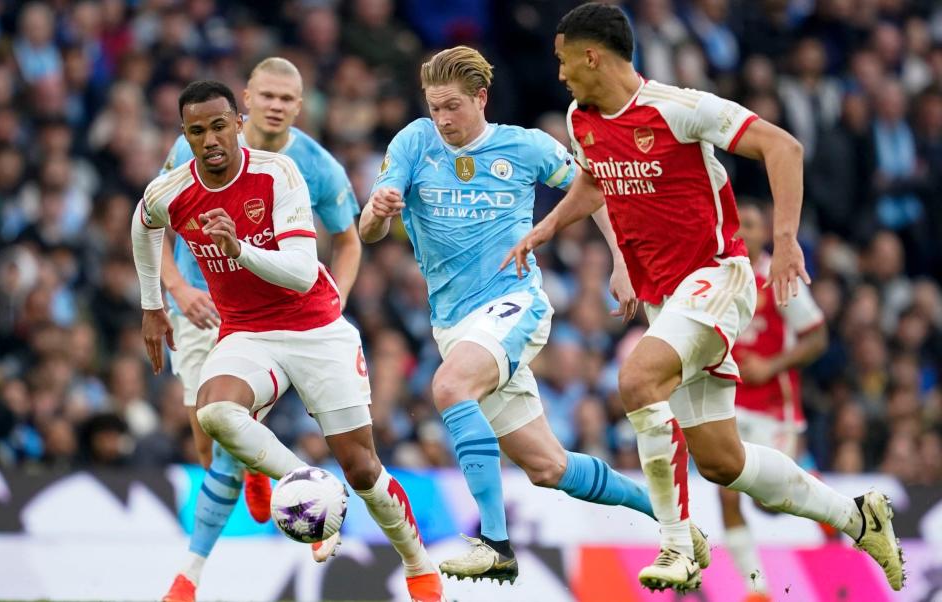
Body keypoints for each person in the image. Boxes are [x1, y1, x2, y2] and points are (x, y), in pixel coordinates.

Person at [504, 3, 904, 593]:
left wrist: (787, 243)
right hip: (670, 298)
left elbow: (783, 148)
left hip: (718, 277)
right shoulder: (580, 117)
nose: (558, 73)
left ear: (593, 55)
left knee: (637, 380)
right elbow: (596, 179)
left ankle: (676, 542)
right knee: (722, 461)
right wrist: (548, 229)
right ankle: (857, 516)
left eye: (564, 59)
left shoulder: (679, 107)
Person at [360, 46, 709, 585]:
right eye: (434, 108)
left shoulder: (524, 148)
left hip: (515, 303)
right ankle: (674, 523)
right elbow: (368, 231)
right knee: (549, 468)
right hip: (454, 324)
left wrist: (622, 260)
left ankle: (494, 543)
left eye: (452, 106)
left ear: (481, 98)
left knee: (451, 388)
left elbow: (595, 191)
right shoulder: (413, 142)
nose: (443, 119)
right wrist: (377, 212)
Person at [132, 80, 444, 602]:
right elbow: (142, 227)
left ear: (237, 123)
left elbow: (301, 272)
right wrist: (152, 305)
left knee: (363, 467)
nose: (208, 140)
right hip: (246, 331)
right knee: (213, 413)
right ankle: (299, 479)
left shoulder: (280, 172)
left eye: (216, 126)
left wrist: (238, 248)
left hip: (315, 327)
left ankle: (419, 566)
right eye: (195, 131)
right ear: (184, 135)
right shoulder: (170, 190)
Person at [157, 58, 362, 602]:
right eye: (266, 95)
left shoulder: (316, 167)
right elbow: (150, 224)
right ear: (246, 99)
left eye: (287, 98)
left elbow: (349, 238)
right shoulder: (197, 147)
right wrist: (177, 290)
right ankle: (255, 469)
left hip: (270, 319)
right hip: (201, 306)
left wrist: (334, 300)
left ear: (300, 106)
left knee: (225, 432)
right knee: (207, 439)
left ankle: (189, 575)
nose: (275, 105)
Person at [720, 199, 830, 601]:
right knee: (727, 493)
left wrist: (771, 365)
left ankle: (825, 497)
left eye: (749, 224)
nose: (741, 232)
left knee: (770, 501)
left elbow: (818, 337)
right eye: (736, 224)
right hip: (729, 405)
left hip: (773, 406)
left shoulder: (780, 278)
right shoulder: (718, 277)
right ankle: (756, 592)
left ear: (765, 234)